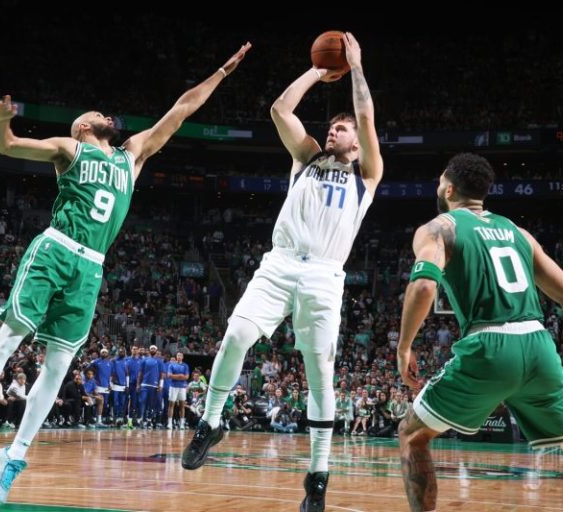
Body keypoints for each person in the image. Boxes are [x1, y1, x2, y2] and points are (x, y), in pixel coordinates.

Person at [0, 42, 251, 505]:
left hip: (91, 267)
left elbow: (181, 110)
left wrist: (222, 72)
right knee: (9, 339)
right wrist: (3, 121)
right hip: (56, 250)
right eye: (96, 113)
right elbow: (8, 146)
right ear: (84, 126)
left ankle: (14, 456)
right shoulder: (70, 148)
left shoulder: (132, 155)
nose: (106, 114)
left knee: (58, 365)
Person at [182, 32, 382, 512]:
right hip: (280, 264)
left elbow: (367, 116)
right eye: (331, 127)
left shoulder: (367, 174)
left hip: (325, 277)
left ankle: (318, 475)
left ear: (357, 142)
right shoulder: (307, 156)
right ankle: (211, 421)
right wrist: (317, 71)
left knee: (320, 376)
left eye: (341, 129)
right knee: (235, 335)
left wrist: (356, 69)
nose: (333, 132)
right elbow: (279, 110)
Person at [396, 153, 563, 512]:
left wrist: (404, 347)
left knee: (412, 433)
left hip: (490, 345)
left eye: (439, 181)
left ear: (449, 188)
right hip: (539, 348)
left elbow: (425, 286)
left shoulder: (439, 228)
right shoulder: (518, 233)